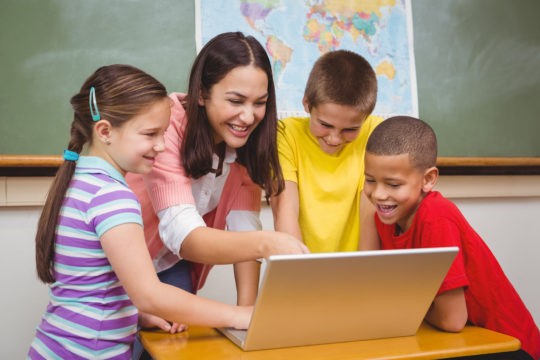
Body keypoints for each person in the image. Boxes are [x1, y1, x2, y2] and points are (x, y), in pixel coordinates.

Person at [28, 64, 254, 360]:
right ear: (105, 131)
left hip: (55, 347)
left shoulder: (79, 181)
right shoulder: (113, 197)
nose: (162, 146)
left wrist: (134, 315)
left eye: (163, 133)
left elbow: (91, 287)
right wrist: (239, 316)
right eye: (150, 134)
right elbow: (150, 294)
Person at [126, 32, 308, 311]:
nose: (249, 117)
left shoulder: (247, 145)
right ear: (201, 93)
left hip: (172, 264)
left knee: (174, 350)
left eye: (259, 103)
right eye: (236, 101)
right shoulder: (167, 127)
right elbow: (185, 236)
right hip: (122, 265)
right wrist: (268, 243)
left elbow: (244, 230)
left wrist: (248, 315)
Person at [362, 116, 540, 360]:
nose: (378, 194)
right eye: (370, 180)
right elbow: (374, 286)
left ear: (428, 179)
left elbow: (453, 319)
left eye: (393, 184)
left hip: (511, 347)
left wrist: (401, 304)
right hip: (462, 340)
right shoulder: (384, 217)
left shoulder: (436, 217)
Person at [270, 50, 382, 252]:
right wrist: (298, 270)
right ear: (307, 104)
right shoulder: (285, 134)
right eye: (325, 124)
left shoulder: (376, 133)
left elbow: (370, 215)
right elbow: (284, 209)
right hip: (300, 267)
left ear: (366, 117)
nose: (334, 138)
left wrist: (366, 274)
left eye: (350, 129)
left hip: (359, 269)